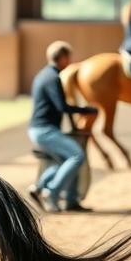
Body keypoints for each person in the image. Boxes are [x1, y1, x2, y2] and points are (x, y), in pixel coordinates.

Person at [27, 41, 98, 213]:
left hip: (39, 129)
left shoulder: (43, 74)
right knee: (76, 156)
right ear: (63, 58)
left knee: (63, 161)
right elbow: (62, 107)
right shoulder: (53, 78)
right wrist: (87, 110)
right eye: (69, 57)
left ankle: (39, 188)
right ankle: (50, 193)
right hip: (45, 130)